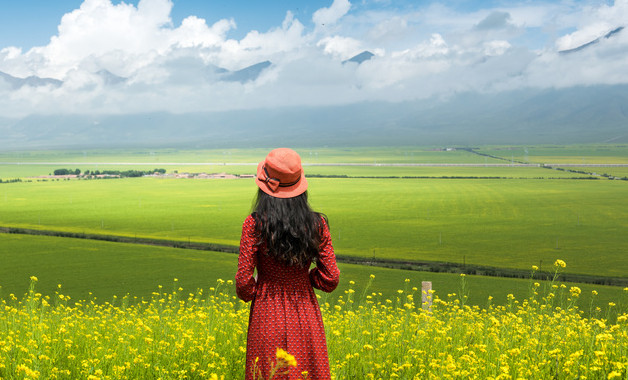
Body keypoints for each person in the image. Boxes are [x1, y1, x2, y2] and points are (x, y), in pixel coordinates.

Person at [236, 148, 340, 380]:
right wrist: (307, 279)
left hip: (266, 313)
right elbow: (331, 278)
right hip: (305, 312)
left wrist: (259, 289)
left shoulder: (253, 224)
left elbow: (243, 283)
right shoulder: (318, 224)